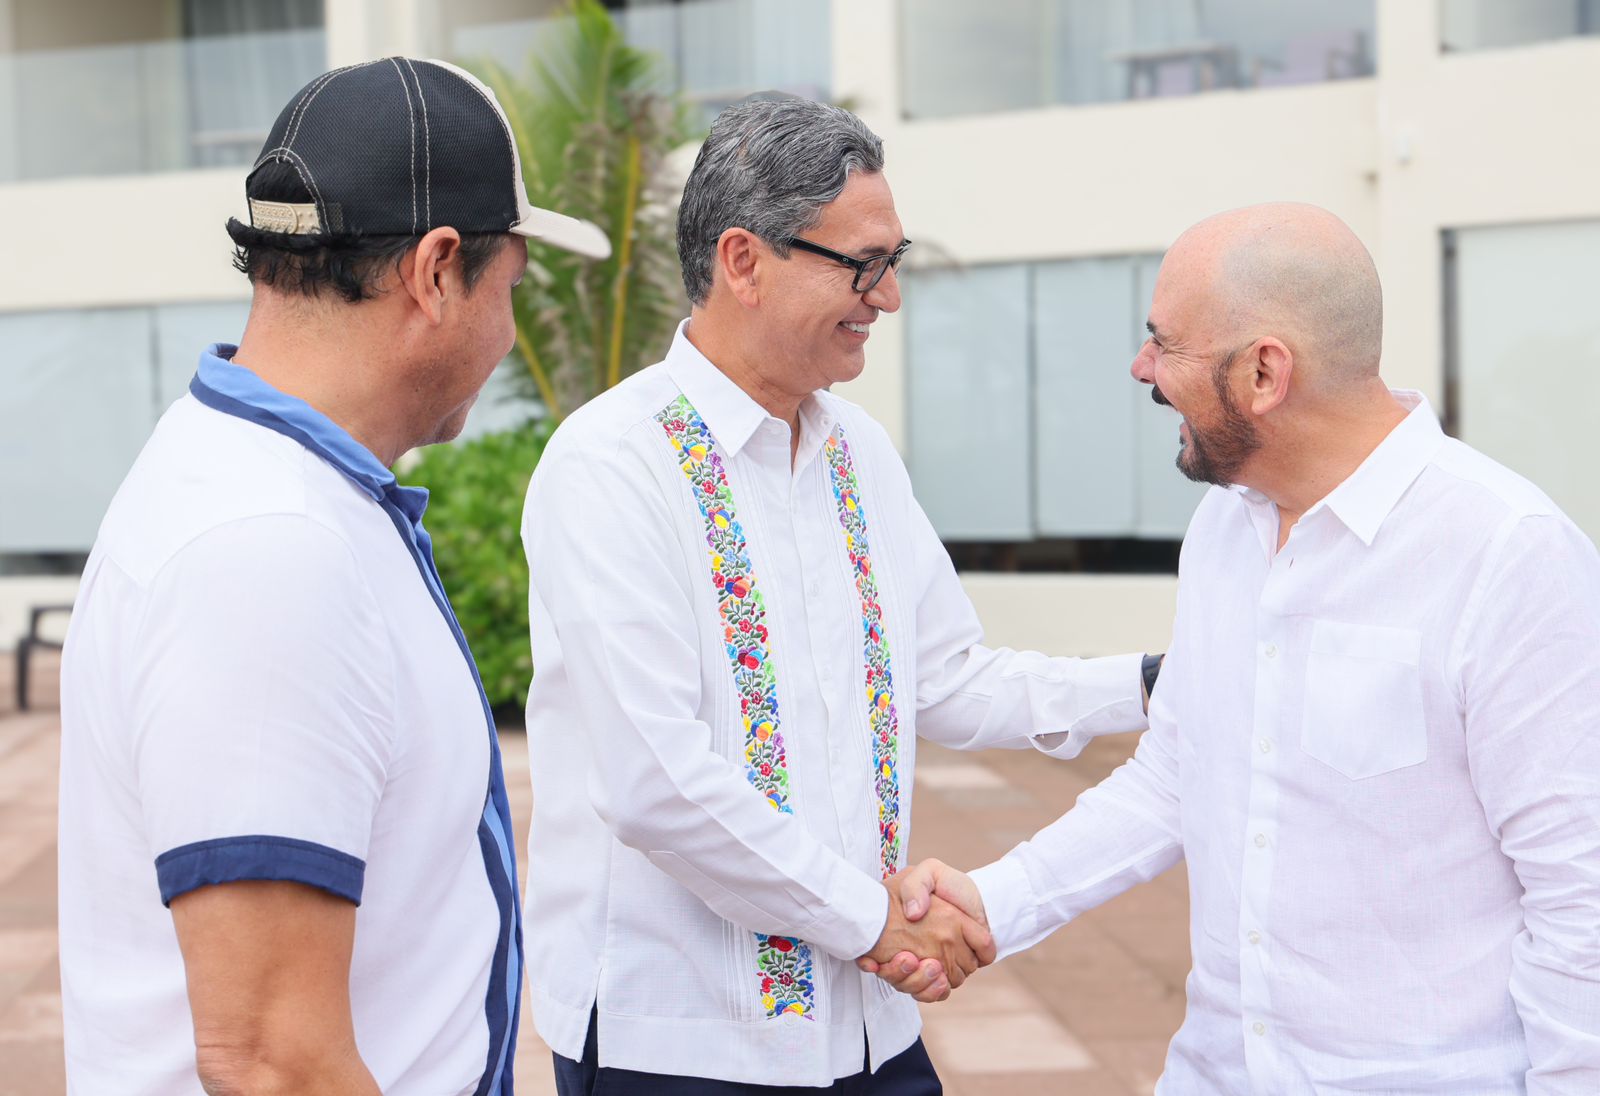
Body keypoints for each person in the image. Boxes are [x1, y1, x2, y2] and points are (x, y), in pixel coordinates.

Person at [871, 203, 1600, 1093]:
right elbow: (1178, 771)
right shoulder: (1225, 526)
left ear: (1264, 371)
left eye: (1163, 343)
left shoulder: (1507, 554)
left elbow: (1583, 896)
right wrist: (992, 903)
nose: (1141, 369)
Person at [517, 95, 1161, 1094]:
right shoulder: (612, 463)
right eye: (864, 264)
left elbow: (947, 677)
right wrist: (878, 921)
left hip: (867, 1031)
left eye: (892, 261)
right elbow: (658, 780)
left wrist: (1156, 684)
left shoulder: (856, 452)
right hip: (682, 1040)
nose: (888, 297)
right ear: (744, 260)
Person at [57, 58, 609, 1095]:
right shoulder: (268, 546)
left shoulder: (265, 486)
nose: (506, 332)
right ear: (437, 270)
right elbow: (272, 1059)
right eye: (510, 290)